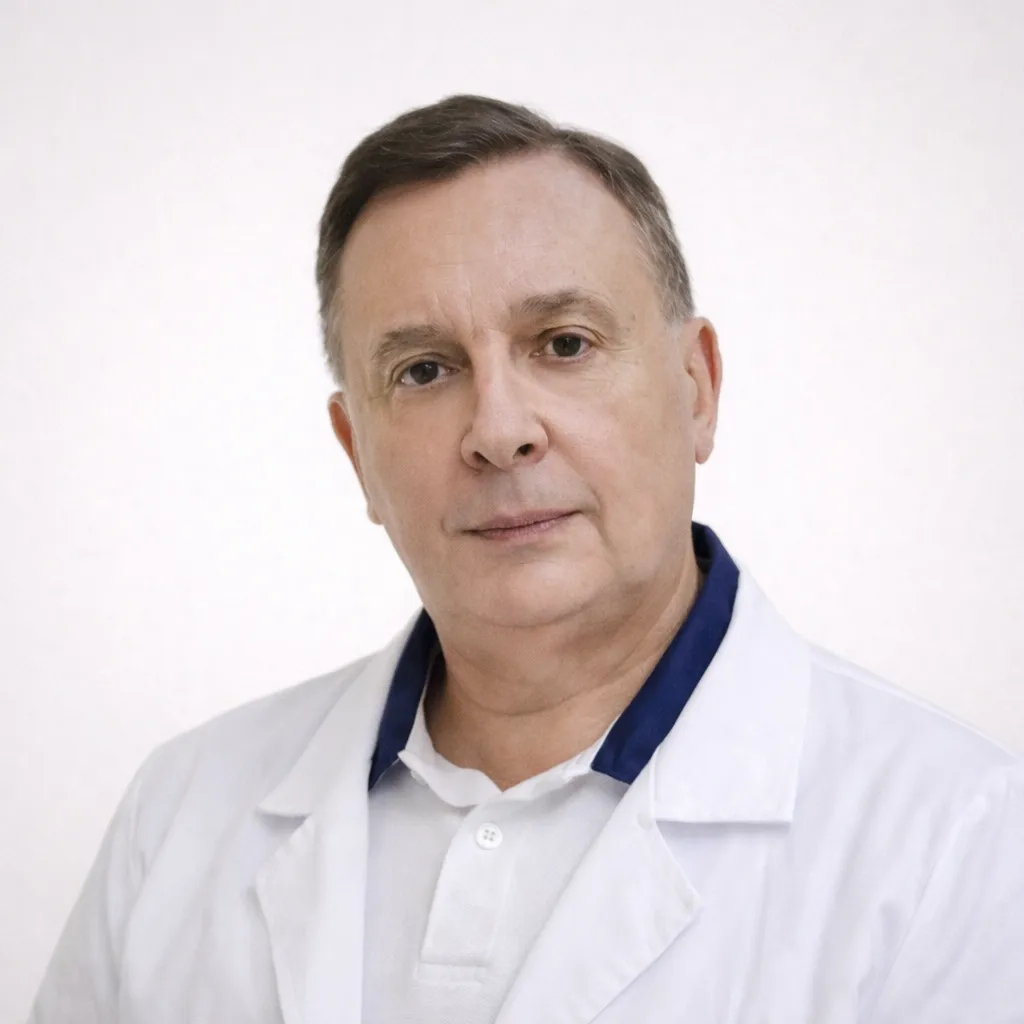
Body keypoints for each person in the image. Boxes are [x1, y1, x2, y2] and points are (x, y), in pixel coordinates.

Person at [29, 94, 1024, 1024]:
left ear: (697, 388)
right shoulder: (181, 816)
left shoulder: (958, 840)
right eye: (424, 369)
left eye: (564, 343)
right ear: (355, 452)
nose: (499, 432)